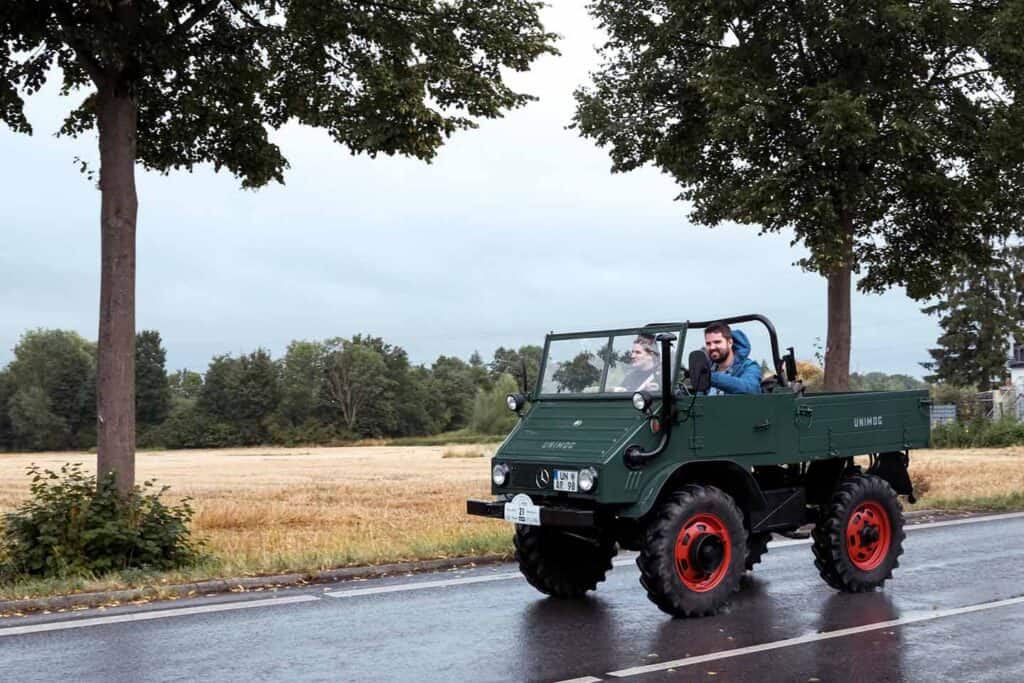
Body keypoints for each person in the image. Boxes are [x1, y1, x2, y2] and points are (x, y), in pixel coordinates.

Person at [703, 322, 761, 395]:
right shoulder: (707, 369)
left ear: (730, 342)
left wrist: (711, 377)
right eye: (708, 344)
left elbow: (751, 389)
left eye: (717, 342)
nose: (712, 347)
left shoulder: (749, 367)